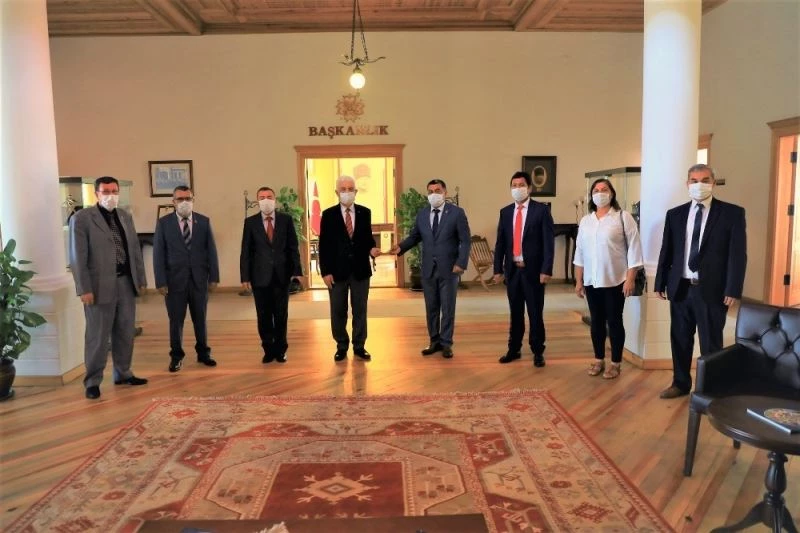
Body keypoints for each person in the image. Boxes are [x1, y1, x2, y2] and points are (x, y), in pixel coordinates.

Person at [655, 163, 747, 399]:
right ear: (687, 184)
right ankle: (680, 383)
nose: (699, 185)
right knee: (680, 339)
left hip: (712, 290)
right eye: (694, 181)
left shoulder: (732, 214)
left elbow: (737, 255)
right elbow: (667, 250)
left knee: (711, 342)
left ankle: (710, 389)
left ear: (713, 182)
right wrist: (659, 282)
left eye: (705, 180)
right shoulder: (675, 214)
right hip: (681, 288)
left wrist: (733, 288)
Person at [68, 176, 148, 400]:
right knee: (98, 336)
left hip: (125, 282)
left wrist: (140, 279)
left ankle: (123, 373)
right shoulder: (82, 218)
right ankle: (93, 381)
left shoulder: (124, 216)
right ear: (96, 194)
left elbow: (134, 250)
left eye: (114, 191)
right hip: (98, 286)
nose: (110, 196)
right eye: (106, 191)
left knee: (125, 331)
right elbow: (77, 257)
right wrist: (84, 288)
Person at [391, 179, 471, 358]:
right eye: (430, 191)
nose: (434, 194)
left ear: (445, 192)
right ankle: (434, 341)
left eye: (437, 190)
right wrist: (400, 247)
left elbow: (465, 240)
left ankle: (446, 343)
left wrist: (461, 263)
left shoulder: (456, 213)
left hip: (450, 269)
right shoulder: (422, 214)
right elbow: (415, 237)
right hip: (428, 269)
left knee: (448, 308)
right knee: (431, 307)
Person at [573, 178, 643, 379]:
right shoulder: (586, 221)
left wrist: (630, 279)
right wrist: (579, 281)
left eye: (604, 189)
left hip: (616, 280)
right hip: (592, 281)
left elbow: (635, 250)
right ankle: (598, 359)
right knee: (596, 322)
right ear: (591, 195)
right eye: (596, 190)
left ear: (611, 194)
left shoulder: (623, 217)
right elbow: (580, 253)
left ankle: (615, 363)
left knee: (614, 321)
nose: (600, 193)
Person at [153, 186, 220, 372]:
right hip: (174, 282)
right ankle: (176, 356)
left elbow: (211, 251)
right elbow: (158, 254)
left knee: (200, 319)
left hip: (199, 280)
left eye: (188, 198)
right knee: (176, 321)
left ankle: (203, 353)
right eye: (180, 199)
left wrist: (214, 277)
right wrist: (160, 281)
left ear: (193, 200)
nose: (184, 202)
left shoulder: (203, 221)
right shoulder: (163, 223)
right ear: (173, 202)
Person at [492, 171, 554, 367]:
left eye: (521, 185)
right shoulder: (505, 212)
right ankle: (514, 349)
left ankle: (538, 351)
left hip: (533, 272)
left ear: (529, 188)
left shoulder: (541, 211)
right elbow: (501, 243)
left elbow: (548, 243)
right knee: (515, 312)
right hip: (513, 272)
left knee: (535, 313)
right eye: (514, 185)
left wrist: (546, 270)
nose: (517, 188)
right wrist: (497, 269)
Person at [318, 175, 381, 362]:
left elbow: (367, 239)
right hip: (336, 272)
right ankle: (341, 345)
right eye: (343, 189)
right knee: (338, 310)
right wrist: (325, 272)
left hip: (360, 271)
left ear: (356, 191)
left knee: (360, 310)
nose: (347, 192)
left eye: (350, 189)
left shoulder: (365, 212)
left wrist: (372, 249)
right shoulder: (328, 215)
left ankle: (359, 346)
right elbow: (324, 245)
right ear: (337, 192)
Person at [240, 186, 302, 364]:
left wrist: (297, 272)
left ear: (274, 200)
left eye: (269, 197)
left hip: (281, 276)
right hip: (259, 277)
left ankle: (281, 350)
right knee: (264, 315)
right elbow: (246, 251)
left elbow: (293, 247)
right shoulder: (250, 222)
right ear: (257, 201)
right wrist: (245, 276)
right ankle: (268, 349)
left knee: (281, 315)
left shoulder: (286, 220)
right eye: (262, 197)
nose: (265, 200)